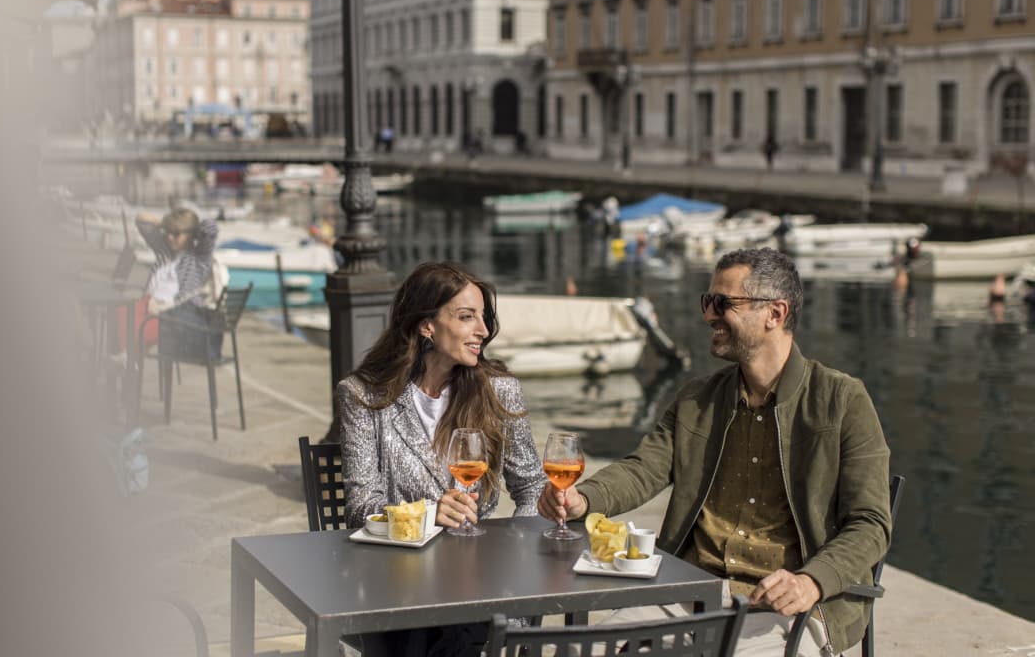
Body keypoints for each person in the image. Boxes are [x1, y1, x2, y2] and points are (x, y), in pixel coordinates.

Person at [538, 247, 892, 657]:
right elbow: (643, 469)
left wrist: (811, 581)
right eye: (708, 301)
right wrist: (584, 498)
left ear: (774, 314)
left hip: (787, 607)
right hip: (690, 591)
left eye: (722, 303)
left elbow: (870, 524)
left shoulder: (842, 400)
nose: (708, 315)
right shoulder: (697, 398)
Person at [339, 261, 547, 656]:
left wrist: (518, 556)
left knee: (460, 620)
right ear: (426, 325)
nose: (483, 331)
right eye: (466, 317)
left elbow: (532, 486)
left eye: (483, 318)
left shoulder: (499, 392)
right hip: (396, 577)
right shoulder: (365, 396)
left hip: (477, 578)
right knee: (435, 626)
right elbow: (360, 508)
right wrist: (429, 514)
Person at [135, 207, 224, 361]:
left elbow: (210, 228)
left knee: (131, 319)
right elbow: (142, 220)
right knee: (125, 313)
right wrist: (167, 223)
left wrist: (191, 229)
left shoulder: (198, 257)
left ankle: (130, 360)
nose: (170, 237)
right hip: (151, 308)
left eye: (176, 234)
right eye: (168, 232)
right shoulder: (164, 252)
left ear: (191, 235)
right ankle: (130, 358)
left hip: (174, 316)